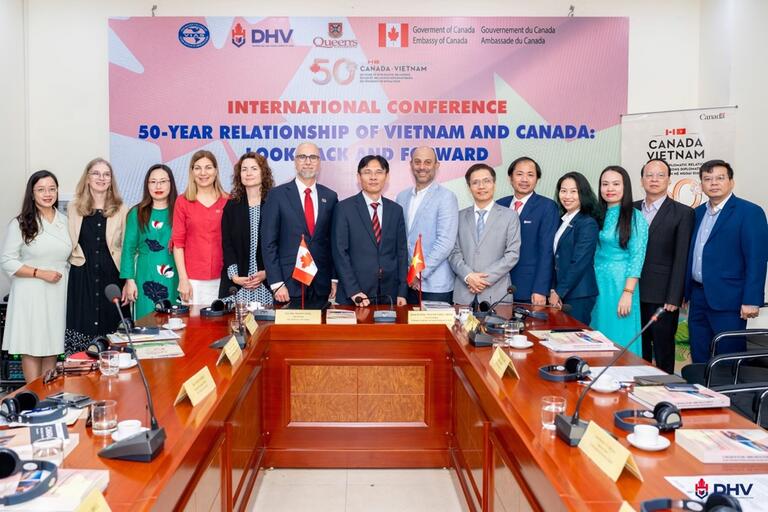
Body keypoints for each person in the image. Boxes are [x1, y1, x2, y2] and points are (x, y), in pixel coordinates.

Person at [685, 159, 768, 363]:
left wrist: (751, 299)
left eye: (720, 178)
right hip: (698, 296)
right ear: (702, 184)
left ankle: (731, 396)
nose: (713, 183)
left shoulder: (749, 212)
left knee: (728, 358)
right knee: (699, 353)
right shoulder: (696, 213)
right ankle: (700, 393)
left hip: (730, 300)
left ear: (731, 182)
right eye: (707, 179)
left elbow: (757, 259)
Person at [1, 171, 71, 382]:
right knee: (31, 345)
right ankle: (34, 396)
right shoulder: (21, 223)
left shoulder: (66, 221)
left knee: (52, 345)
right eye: (41, 190)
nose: (47, 194)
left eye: (52, 189)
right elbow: (7, 260)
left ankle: (48, 397)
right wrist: (40, 273)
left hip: (58, 290)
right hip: (30, 291)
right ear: (32, 194)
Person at [634, 159, 694, 373]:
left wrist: (674, 296)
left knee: (663, 348)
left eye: (660, 175)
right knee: (636, 348)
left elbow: (682, 257)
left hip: (663, 295)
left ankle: (664, 394)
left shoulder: (683, 213)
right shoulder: (631, 209)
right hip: (632, 293)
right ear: (642, 180)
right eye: (649, 175)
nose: (654, 179)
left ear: (669, 180)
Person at [262, 142, 338, 308]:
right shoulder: (277, 195)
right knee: (289, 334)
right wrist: (276, 283)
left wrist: (333, 278)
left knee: (320, 333)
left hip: (321, 285)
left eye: (313, 157)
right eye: (302, 157)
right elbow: (268, 243)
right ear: (295, 162)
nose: (308, 161)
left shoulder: (330, 197)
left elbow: (333, 242)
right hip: (288, 285)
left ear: (319, 163)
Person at [65, 158, 129, 354]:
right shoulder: (73, 208)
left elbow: (128, 249)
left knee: (114, 343)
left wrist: (128, 281)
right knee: (81, 340)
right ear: (87, 178)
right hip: (82, 280)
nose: (101, 178)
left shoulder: (122, 209)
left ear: (111, 180)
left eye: (106, 174)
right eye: (96, 173)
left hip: (112, 281)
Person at [332, 155, 408, 306]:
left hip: (389, 295)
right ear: (358, 177)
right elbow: (340, 253)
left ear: (386, 176)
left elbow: (401, 252)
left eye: (379, 172)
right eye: (367, 172)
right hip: (354, 295)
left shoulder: (396, 210)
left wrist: (402, 291)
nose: (373, 177)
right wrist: (354, 291)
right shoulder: (344, 208)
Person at [591, 165, 648, 354]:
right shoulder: (596, 215)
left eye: (616, 184)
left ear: (625, 187)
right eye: (605, 184)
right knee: (596, 334)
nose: (610, 189)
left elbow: (637, 257)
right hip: (596, 284)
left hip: (620, 286)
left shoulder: (635, 217)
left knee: (619, 338)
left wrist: (628, 292)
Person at [449, 164, 520, 306]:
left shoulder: (510, 216)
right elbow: (453, 252)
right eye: (475, 182)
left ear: (494, 184)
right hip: (464, 294)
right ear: (469, 188)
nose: (481, 186)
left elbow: (512, 254)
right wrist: (469, 276)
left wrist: (481, 280)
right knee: (460, 329)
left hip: (497, 295)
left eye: (486, 181)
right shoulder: (458, 216)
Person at [395, 146, 458, 304]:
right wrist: (408, 276)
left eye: (427, 162)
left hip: (435, 286)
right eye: (417, 162)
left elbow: (445, 242)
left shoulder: (446, 197)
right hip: (407, 285)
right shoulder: (402, 197)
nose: (422, 167)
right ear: (411, 165)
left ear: (437, 165)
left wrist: (418, 273)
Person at [119, 164, 179, 319]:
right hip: (145, 276)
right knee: (147, 326)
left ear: (171, 184)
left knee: (175, 326)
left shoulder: (180, 210)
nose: (158, 186)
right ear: (147, 185)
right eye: (153, 182)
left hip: (176, 277)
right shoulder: (136, 213)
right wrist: (129, 281)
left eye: (163, 181)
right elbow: (128, 249)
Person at [497, 156, 559, 305]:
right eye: (519, 174)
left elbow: (547, 251)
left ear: (537, 179)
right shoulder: (500, 205)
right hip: (498, 286)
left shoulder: (547, 207)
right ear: (510, 178)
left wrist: (540, 289)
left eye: (530, 175)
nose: (524, 179)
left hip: (529, 289)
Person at [171, 150, 228, 305]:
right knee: (193, 328)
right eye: (198, 168)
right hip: (192, 281)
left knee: (222, 327)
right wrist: (183, 280)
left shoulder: (228, 201)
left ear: (216, 171)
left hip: (223, 278)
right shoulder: (182, 202)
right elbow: (178, 244)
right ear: (192, 171)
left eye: (208, 167)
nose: (203, 173)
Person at [220, 152, 274, 306]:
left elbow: (281, 244)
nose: (248, 173)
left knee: (266, 328)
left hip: (267, 284)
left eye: (254, 169)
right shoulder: (231, 206)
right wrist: (235, 276)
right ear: (239, 175)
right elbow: (227, 244)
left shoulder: (274, 204)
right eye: (244, 169)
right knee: (235, 328)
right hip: (237, 285)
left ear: (263, 173)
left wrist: (267, 273)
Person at [549, 172, 600, 325]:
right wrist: (553, 289)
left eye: (574, 191)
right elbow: (555, 259)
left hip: (579, 294)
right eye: (563, 191)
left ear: (582, 194)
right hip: (562, 292)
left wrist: (559, 292)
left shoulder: (587, 223)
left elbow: (579, 262)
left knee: (574, 341)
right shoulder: (561, 220)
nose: (567, 196)